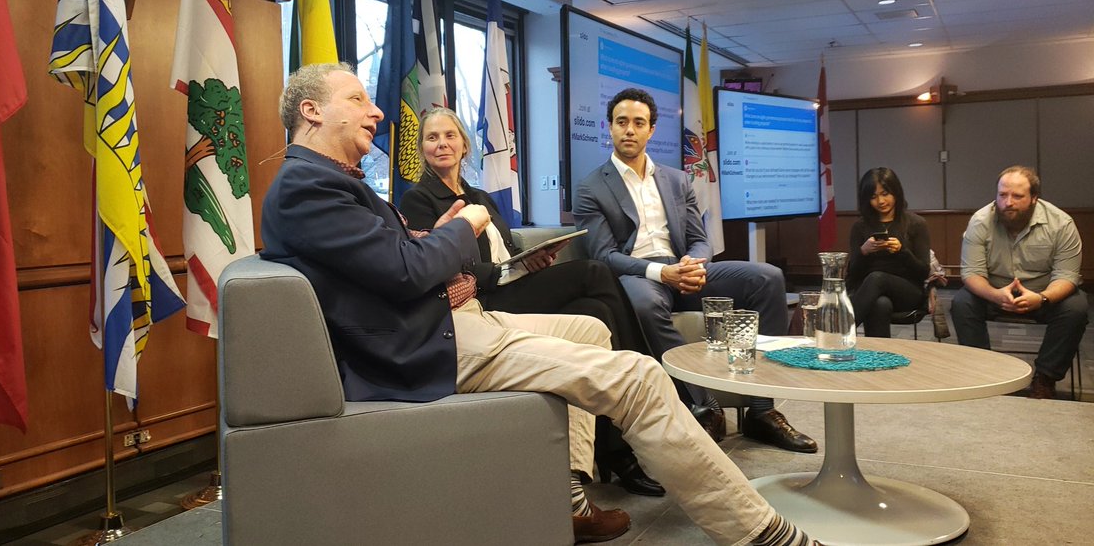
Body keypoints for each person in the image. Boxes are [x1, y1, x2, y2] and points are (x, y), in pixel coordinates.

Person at [261, 63, 820, 546]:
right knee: (640, 376)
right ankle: (759, 532)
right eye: (357, 99)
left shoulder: (326, 183)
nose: (377, 111)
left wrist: (441, 245)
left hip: (442, 317)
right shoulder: (306, 186)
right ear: (311, 111)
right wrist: (464, 228)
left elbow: (390, 262)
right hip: (427, 343)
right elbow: (408, 269)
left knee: (591, 329)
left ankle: (571, 492)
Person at [400, 107, 666, 496]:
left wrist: (532, 261)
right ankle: (652, 388)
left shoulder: (480, 197)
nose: (442, 144)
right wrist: (504, 271)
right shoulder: (418, 200)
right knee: (593, 272)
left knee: (597, 312)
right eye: (432, 137)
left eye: (449, 136)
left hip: (510, 282)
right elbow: (441, 264)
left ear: (464, 144)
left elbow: (503, 250)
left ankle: (615, 450)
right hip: (481, 299)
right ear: (422, 149)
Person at [574, 88, 816, 454]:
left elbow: (699, 240)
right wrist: (661, 273)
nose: (629, 130)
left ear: (651, 130)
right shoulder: (591, 186)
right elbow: (604, 255)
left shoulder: (676, 179)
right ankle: (705, 404)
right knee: (643, 305)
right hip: (639, 276)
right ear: (609, 127)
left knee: (768, 277)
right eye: (621, 122)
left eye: (638, 123)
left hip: (684, 269)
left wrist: (693, 264)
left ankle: (761, 410)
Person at [951, 165, 1087, 399]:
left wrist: (1042, 298)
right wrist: (995, 294)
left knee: (1076, 307)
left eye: (1017, 196)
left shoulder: (1061, 224)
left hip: (1043, 295)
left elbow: (1067, 276)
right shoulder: (980, 221)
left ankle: (1045, 378)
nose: (1008, 203)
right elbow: (972, 273)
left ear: (1034, 198)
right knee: (962, 302)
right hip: (994, 292)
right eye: (1002, 195)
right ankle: (983, 374)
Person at [846, 167, 932, 338]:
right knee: (880, 303)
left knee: (878, 277)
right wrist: (863, 252)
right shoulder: (860, 227)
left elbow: (923, 272)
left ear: (896, 192)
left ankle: (840, 331)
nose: (881, 201)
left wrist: (902, 251)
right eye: (873, 196)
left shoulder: (916, 223)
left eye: (885, 193)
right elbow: (852, 276)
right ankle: (878, 357)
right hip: (869, 293)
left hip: (908, 292)